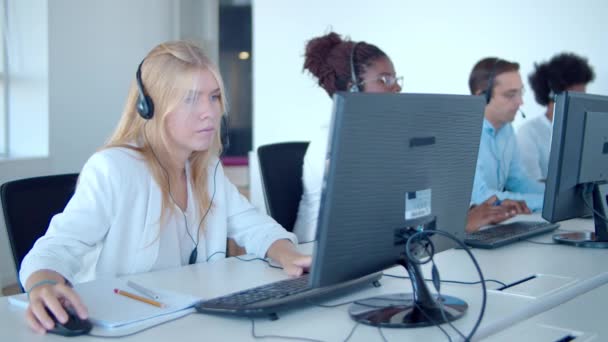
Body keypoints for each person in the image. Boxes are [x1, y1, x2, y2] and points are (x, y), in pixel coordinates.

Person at [20, 41, 311, 334]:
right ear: (150, 107)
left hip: (183, 322)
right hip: (121, 327)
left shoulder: (206, 169)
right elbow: (55, 249)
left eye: (214, 97)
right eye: (191, 99)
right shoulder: (114, 169)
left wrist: (291, 255)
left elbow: (255, 227)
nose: (209, 112)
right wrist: (44, 285)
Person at [293, 32, 403, 243]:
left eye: (395, 79)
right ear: (352, 88)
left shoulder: (376, 136)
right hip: (316, 255)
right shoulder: (329, 142)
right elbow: (371, 208)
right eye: (385, 79)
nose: (396, 87)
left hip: (364, 247)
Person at [468, 57, 545, 212]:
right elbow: (481, 197)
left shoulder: (507, 130)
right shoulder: (464, 134)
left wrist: (555, 197)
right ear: (482, 97)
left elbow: (518, 181)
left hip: (495, 222)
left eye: (520, 93)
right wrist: (547, 203)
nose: (520, 102)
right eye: (510, 95)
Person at [518, 52, 595, 181]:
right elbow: (531, 184)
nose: (581, 103)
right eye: (576, 97)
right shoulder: (529, 132)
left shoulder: (585, 131)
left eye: (583, 95)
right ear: (553, 94)